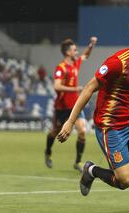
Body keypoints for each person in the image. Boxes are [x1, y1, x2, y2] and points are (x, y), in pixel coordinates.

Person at [57, 15, 129, 213]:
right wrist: (70, 121)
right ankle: (91, 170)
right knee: (126, 180)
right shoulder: (118, 62)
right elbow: (88, 88)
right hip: (111, 127)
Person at [44, 36, 97, 171]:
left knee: (82, 132)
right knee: (55, 132)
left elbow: (86, 55)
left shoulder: (75, 63)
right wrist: (75, 89)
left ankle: (78, 162)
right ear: (68, 52)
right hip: (62, 107)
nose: (77, 52)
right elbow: (57, 86)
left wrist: (91, 45)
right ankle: (48, 151)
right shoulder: (61, 68)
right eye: (74, 50)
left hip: (75, 106)